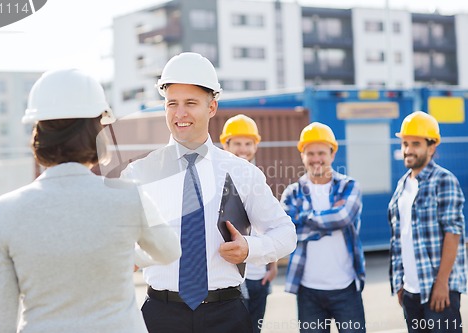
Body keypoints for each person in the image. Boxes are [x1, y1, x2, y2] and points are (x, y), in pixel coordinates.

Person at [0, 68, 181, 333]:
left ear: (38, 133)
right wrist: (122, 251)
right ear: (96, 130)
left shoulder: (6, 210)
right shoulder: (127, 196)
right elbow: (169, 251)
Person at [120, 52, 297, 333]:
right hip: (160, 315)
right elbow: (118, 242)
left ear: (212, 107)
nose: (180, 113)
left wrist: (250, 248)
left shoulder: (242, 172)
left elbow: (285, 234)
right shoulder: (139, 173)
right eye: (171, 104)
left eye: (191, 103)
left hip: (225, 315)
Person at [281, 122, 366, 333]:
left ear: (332, 154)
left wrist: (303, 219)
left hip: (346, 288)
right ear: (302, 155)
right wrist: (328, 222)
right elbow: (287, 232)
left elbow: (343, 217)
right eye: (310, 153)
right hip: (308, 291)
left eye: (321, 153)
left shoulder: (349, 186)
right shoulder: (292, 193)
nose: (316, 159)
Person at [388, 111, 466, 333]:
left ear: (431, 147)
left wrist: (442, 284)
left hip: (438, 291)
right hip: (411, 292)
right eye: (405, 143)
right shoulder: (402, 186)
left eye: (415, 144)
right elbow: (399, 239)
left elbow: (453, 234)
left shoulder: (444, 180)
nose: (408, 149)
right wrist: (400, 284)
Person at [220, 114, 278, 333]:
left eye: (248, 144)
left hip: (258, 276)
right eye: (237, 144)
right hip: (232, 277)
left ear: (255, 146)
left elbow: (267, 226)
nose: (243, 149)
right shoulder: (218, 179)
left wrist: (271, 266)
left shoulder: (258, 178)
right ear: (225, 144)